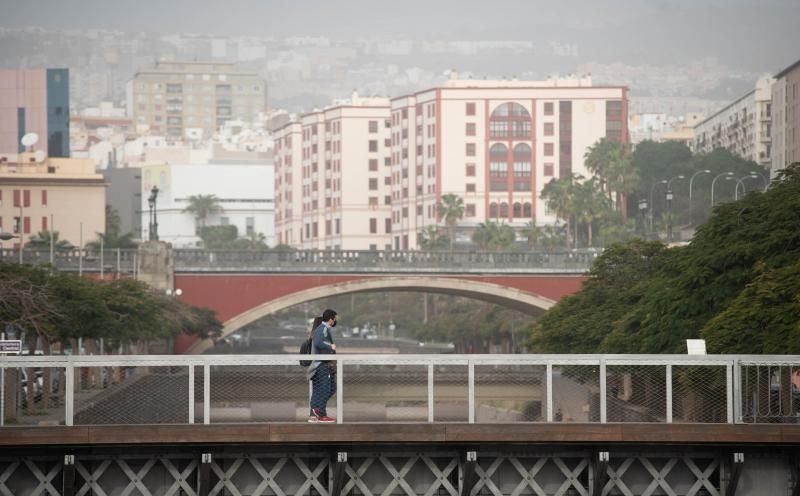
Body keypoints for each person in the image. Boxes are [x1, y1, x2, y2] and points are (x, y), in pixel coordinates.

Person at [307, 309, 338, 423]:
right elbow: (319, 342)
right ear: (331, 319)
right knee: (325, 390)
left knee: (320, 390)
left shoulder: (322, 328)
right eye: (335, 318)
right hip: (321, 364)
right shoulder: (323, 328)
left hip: (319, 364)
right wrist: (331, 346)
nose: (335, 320)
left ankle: (315, 413)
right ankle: (320, 413)